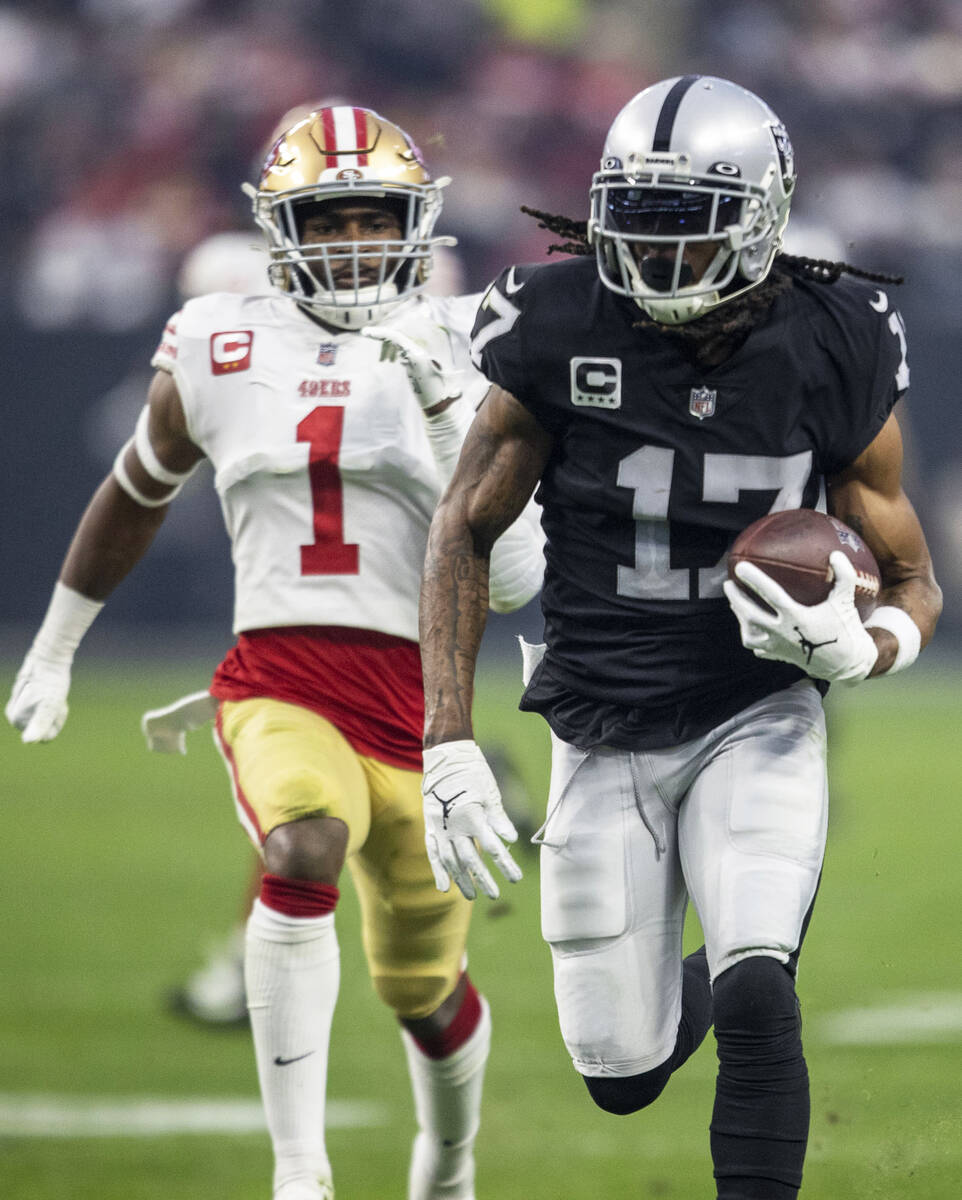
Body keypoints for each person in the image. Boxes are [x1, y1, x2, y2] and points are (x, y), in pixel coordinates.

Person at [416, 75, 942, 1199]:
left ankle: (757, 926)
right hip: (598, 723)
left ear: (760, 219)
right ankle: (698, 959)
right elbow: (464, 529)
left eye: (683, 228)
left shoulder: (831, 340)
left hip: (754, 711)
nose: (653, 258)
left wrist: (871, 649)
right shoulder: (554, 322)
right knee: (621, 1070)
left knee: (759, 996)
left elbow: (910, 578)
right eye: (636, 223)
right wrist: (447, 741)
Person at [6, 105, 543, 1200]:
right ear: (277, 226)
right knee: (300, 846)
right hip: (278, 681)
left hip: (425, 706)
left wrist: (446, 413)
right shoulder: (217, 338)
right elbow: (136, 488)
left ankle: (446, 1163)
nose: (350, 241)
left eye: (372, 218)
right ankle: (298, 1172)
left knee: (423, 991)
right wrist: (56, 648)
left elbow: (524, 573)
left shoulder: (466, 339)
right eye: (326, 218)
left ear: (415, 224)